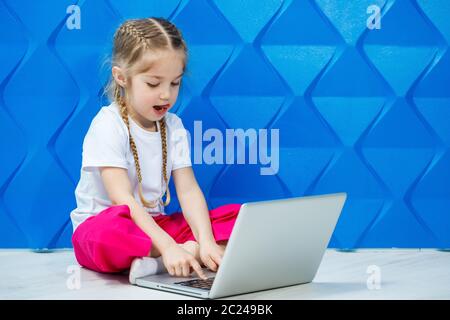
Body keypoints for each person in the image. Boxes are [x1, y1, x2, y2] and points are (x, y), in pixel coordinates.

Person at [70, 17, 241, 284]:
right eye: (153, 84)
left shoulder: (173, 126)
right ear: (121, 77)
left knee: (238, 220)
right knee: (108, 234)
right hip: (108, 225)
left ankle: (175, 256)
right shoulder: (107, 125)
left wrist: (205, 240)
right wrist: (169, 245)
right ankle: (172, 254)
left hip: (155, 224)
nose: (166, 95)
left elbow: (187, 189)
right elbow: (122, 200)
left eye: (175, 83)